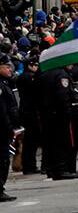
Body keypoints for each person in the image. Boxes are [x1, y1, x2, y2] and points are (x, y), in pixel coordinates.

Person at [15, 57, 40, 175]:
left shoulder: (23, 77)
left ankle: (29, 165)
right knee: (31, 140)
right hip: (30, 111)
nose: (36, 67)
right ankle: (29, 165)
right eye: (35, 65)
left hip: (27, 110)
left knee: (30, 140)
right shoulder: (28, 77)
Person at [0, 54, 20, 202]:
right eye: (6, 67)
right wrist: (9, 127)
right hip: (1, 128)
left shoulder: (4, 83)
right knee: (2, 160)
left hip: (5, 127)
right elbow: (2, 110)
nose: (10, 69)